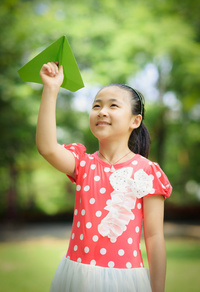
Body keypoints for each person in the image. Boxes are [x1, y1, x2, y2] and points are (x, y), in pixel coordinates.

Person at [36, 62, 172, 292]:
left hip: (125, 280)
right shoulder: (82, 163)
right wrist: (51, 88)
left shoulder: (147, 172)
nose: (102, 111)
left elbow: (155, 236)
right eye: (96, 105)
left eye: (113, 105)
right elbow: (47, 148)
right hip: (77, 277)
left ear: (134, 121)